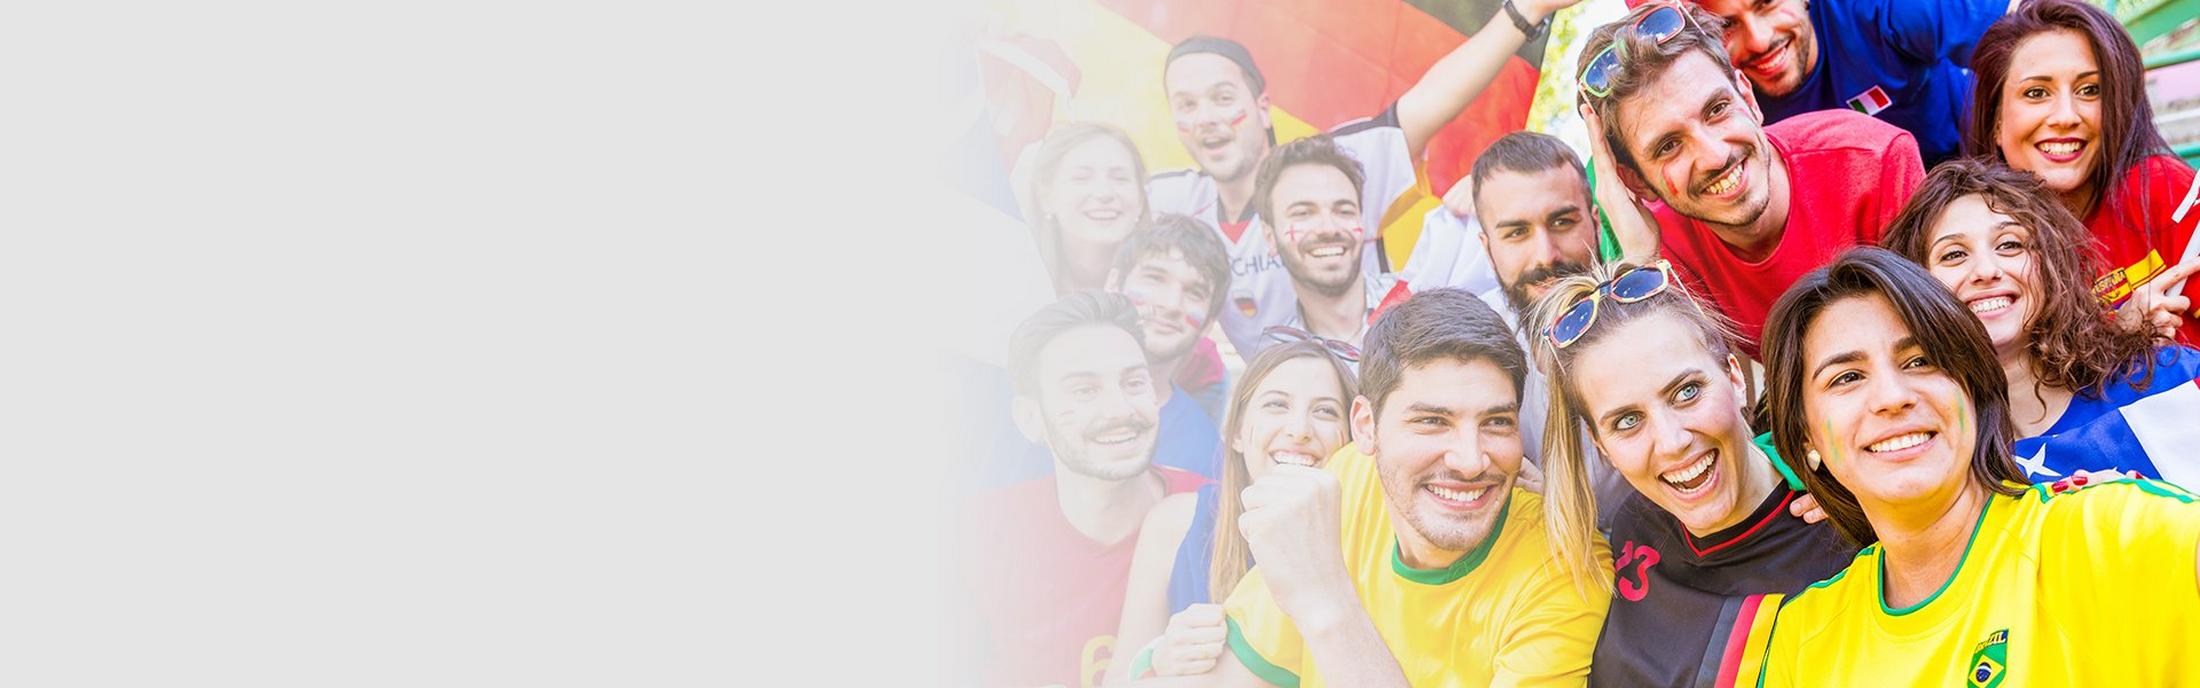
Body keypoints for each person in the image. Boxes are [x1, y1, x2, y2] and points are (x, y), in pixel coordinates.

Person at [1750, 247, 2200, 686]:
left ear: (1972, 388)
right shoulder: (1803, 639)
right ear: (1806, 436)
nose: (1892, 397)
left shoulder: (2100, 532)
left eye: (1921, 361)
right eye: (1846, 378)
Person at [1134, 288, 1610, 686]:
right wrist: (1155, 663)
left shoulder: (1567, 563)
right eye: (1431, 421)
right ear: (1365, 427)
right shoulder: (1348, 481)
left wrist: (1326, 602)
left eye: (1496, 422)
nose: (1471, 459)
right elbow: (1232, 674)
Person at [1151, 0, 1587, 356]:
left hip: (1377, 377)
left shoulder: (1331, 167)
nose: (1206, 118)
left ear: (1262, 105)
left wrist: (1525, 11)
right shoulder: (1171, 202)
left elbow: (1430, 101)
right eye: (1186, 105)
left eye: (1222, 98)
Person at [1524, 259, 1855, 686]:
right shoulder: (1632, 525)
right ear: (1601, 446)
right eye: (1627, 421)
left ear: (1734, 376)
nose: (1672, 441)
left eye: (1686, 392)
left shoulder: (1842, 538)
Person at [1576, 1, 1924, 355]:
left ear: (1747, 97)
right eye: (1669, 146)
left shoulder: (1874, 161)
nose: (1715, 155)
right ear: (1635, 180)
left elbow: (1942, 338)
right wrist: (1641, 260)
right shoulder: (1664, 254)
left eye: (1717, 109)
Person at [1879, 160, 2200, 486]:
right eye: (1954, 255)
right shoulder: (1925, 457)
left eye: (2009, 245)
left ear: (2052, 265)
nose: (1986, 270)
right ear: (1916, 286)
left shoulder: (2172, 380)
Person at [956, 292, 1208, 688]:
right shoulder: (979, 530)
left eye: (1134, 382)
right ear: (1030, 419)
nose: (1120, 409)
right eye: (1084, 390)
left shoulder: (1213, 516)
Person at [1105, 340, 1358, 683]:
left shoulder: (1371, 539)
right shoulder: (1175, 523)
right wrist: (1156, 660)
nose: (1299, 429)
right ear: (1236, 433)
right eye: (1276, 405)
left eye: (1326, 411)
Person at [1966, 0, 2200, 345]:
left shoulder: (2164, 192)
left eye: (2090, 90)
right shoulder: (1968, 242)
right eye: (2036, 93)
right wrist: (2117, 336)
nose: (2066, 116)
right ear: (1996, 122)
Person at [1464, 131, 1633, 526]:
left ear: (1593, 223)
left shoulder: (1648, 315)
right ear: (1488, 248)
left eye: (1561, 222)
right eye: (1517, 233)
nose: (1546, 255)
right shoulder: (1467, 349)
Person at [1690, 0, 2012, 166]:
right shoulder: (1715, 101)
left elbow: (2021, 30)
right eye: (1726, 26)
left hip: (1970, 163)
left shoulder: (1874, 12)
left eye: (1767, 4)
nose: (1759, 40)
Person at [1249, 136, 1410, 350]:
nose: (1328, 228)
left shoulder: (1418, 303)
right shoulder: (1282, 364)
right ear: (1270, 236)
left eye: (1344, 211)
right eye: (1303, 213)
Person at [1106, 214, 1236, 478]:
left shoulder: (1205, 453)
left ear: (1209, 323)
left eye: (1195, 292)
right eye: (1154, 278)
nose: (1172, 304)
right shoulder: (1044, 396)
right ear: (1113, 285)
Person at [1030, 123, 1151, 296]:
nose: (1104, 193)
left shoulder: (1170, 292)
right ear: (1046, 197)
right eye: (1081, 178)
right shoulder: (1014, 281)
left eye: (1120, 178)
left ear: (1141, 199)